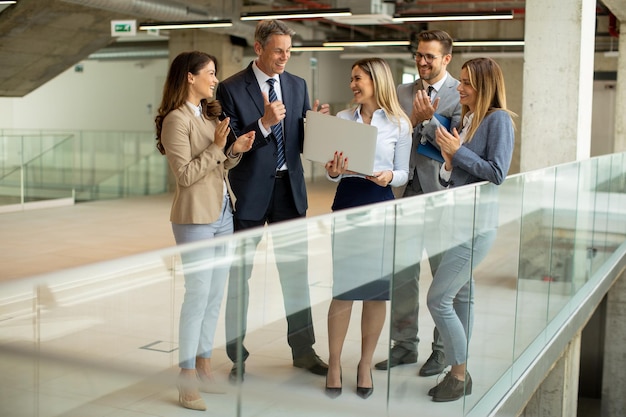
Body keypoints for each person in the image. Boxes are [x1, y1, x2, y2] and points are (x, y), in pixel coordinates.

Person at [215, 19, 330, 383]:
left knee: (296, 274)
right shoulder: (230, 88)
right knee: (239, 278)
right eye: (278, 50)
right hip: (250, 192)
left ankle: (303, 351)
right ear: (258, 47)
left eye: (289, 52)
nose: (284, 58)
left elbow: (298, 141)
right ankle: (237, 357)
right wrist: (263, 125)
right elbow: (230, 144)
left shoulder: (296, 85)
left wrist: (318, 129)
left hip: (289, 191)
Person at [155, 50, 255, 411]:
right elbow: (184, 176)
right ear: (189, 77)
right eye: (210, 73)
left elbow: (216, 166)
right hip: (194, 216)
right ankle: (185, 377)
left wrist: (234, 150)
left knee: (214, 294)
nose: (215, 79)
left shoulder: (205, 112)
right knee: (197, 295)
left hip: (222, 211)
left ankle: (204, 365)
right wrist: (216, 147)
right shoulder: (175, 120)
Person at [427, 57, 515, 402]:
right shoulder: (468, 119)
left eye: (466, 83)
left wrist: (457, 152)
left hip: (475, 224)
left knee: (438, 299)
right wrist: (451, 159)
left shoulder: (498, 120)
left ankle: (460, 374)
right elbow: (458, 172)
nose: (459, 88)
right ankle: (456, 372)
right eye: (460, 81)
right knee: (462, 296)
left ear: (485, 86)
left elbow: (497, 172)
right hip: (455, 218)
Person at [375, 29, 461, 377]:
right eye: (419, 55)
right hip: (403, 192)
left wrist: (427, 122)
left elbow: (455, 146)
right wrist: (411, 121)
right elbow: (390, 136)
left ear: (446, 59)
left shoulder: (461, 93)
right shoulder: (400, 93)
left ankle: (442, 351)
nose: (423, 62)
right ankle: (404, 345)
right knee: (403, 274)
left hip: (441, 197)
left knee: (443, 280)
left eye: (430, 56)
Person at [323, 58, 411, 399]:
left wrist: (389, 176)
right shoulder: (343, 119)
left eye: (358, 79)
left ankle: (364, 364)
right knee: (343, 289)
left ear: (377, 81)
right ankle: (333, 363)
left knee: (376, 292)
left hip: (380, 204)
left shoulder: (399, 124)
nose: (352, 85)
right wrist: (333, 170)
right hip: (347, 201)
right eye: (351, 79)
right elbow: (332, 170)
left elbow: (403, 172)